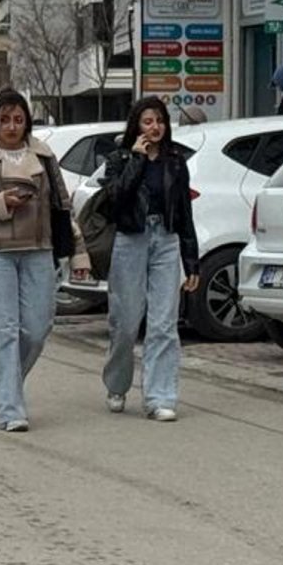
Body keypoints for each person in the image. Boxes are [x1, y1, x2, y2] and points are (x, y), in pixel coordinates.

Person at [0, 89, 90, 432]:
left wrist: (79, 251)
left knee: (37, 328)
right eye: (4, 120)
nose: (12, 127)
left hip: (39, 252)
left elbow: (62, 207)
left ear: (27, 121)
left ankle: (10, 382)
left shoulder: (43, 156)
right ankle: (11, 408)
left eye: (18, 119)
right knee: (6, 332)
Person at [94, 96, 202, 422]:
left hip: (165, 240)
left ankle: (160, 397)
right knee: (125, 323)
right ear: (136, 126)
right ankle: (117, 384)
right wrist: (137, 161)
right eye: (148, 121)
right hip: (130, 239)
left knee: (164, 324)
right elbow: (115, 201)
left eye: (160, 121)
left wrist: (191, 260)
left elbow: (184, 211)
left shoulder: (175, 161)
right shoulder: (119, 159)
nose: (155, 127)